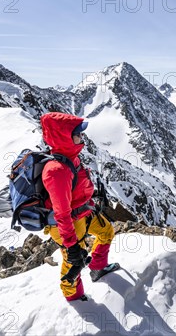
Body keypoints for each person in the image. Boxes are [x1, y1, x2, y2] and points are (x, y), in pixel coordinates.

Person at [39, 112, 118, 301]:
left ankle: (98, 268)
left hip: (83, 212)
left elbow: (78, 185)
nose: (81, 137)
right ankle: (74, 297)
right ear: (65, 137)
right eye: (78, 134)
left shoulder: (70, 156)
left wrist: (91, 195)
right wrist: (71, 244)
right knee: (73, 261)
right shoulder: (57, 171)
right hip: (68, 224)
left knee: (106, 231)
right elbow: (62, 213)